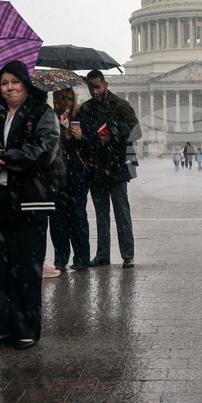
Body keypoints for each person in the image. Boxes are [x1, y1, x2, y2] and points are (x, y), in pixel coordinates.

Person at [0, 60, 62, 350]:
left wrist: (5, 157)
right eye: (4, 83)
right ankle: (5, 327)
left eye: (15, 82)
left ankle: (27, 329)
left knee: (27, 267)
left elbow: (44, 151)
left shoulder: (41, 113)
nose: (9, 87)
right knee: (1, 267)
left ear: (26, 84)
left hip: (29, 200)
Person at [78, 70, 140, 269]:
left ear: (106, 84)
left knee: (122, 213)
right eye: (90, 88)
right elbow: (86, 139)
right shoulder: (86, 109)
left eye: (97, 87)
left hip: (117, 165)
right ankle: (103, 254)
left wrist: (113, 133)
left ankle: (127, 255)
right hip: (97, 166)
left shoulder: (120, 105)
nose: (94, 92)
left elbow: (136, 132)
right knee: (101, 215)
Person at [51, 88, 91, 272]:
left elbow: (92, 144)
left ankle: (82, 258)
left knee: (78, 218)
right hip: (57, 176)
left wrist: (81, 137)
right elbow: (46, 144)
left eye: (69, 98)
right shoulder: (50, 118)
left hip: (77, 176)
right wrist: (62, 133)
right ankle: (60, 259)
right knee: (58, 220)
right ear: (55, 100)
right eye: (62, 98)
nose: (66, 102)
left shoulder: (82, 117)